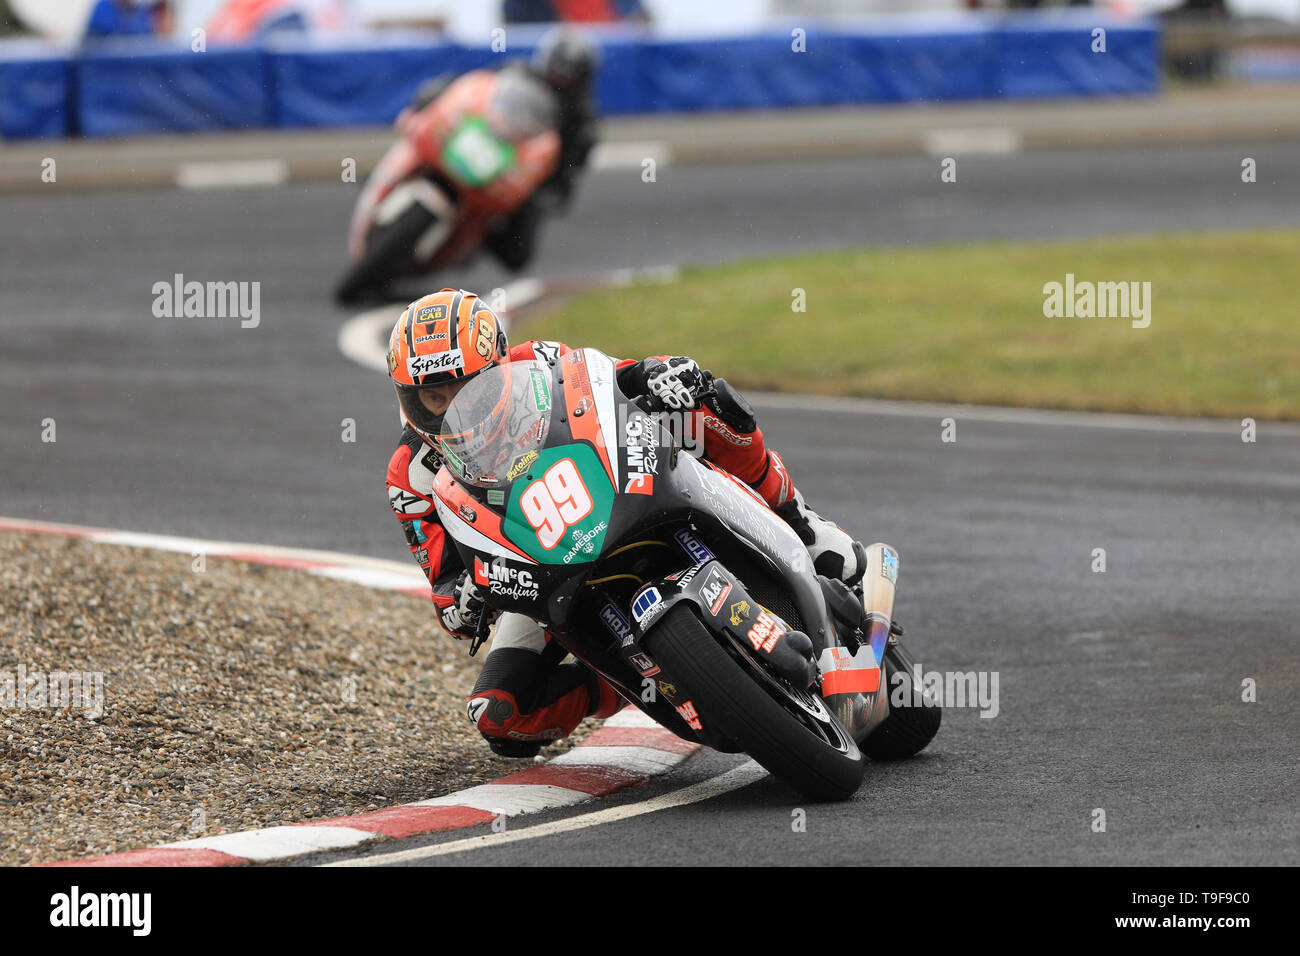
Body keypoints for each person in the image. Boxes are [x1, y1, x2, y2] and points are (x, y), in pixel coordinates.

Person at [385, 288, 865, 757]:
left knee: (709, 404)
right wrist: (467, 598)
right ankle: (624, 680)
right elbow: (446, 592)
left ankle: (799, 522)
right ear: (409, 399)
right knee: (500, 714)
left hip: (609, 487)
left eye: (465, 388)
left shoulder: (537, 363)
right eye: (434, 398)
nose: (453, 409)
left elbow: (608, 379)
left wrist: (655, 374)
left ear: (497, 365)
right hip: (535, 561)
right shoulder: (409, 475)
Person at [403, 26, 600, 271]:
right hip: (476, 138)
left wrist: (547, 195)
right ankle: (395, 174)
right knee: (419, 127)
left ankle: (470, 240)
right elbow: (469, 87)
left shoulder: (580, 123)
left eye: (570, 75)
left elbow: (567, 173)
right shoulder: (515, 71)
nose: (562, 78)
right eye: (561, 70)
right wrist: (434, 97)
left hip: (513, 170)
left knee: (517, 254)